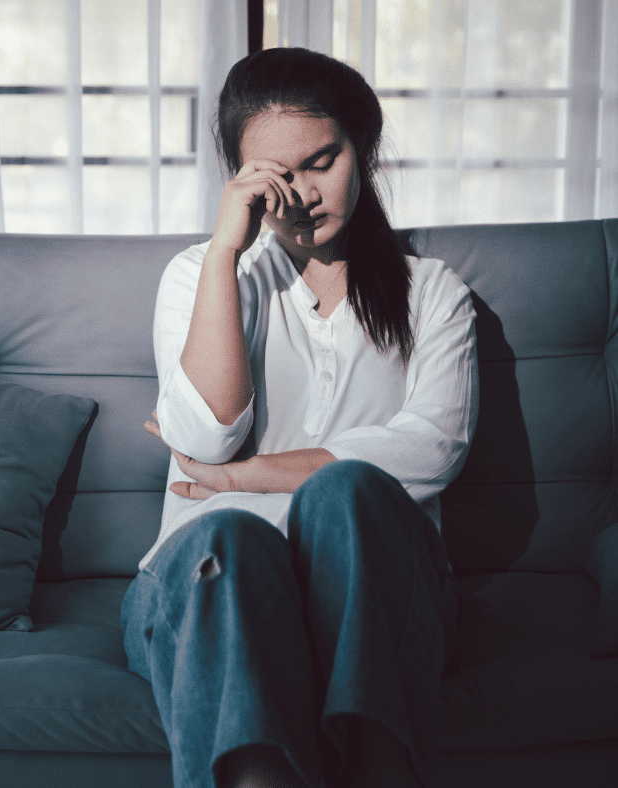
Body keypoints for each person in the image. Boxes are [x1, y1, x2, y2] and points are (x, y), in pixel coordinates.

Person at [121, 48, 478, 788]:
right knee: (229, 536)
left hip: (372, 595)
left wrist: (239, 475)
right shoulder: (201, 275)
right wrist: (226, 252)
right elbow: (202, 433)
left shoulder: (432, 293)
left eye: (322, 161)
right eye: (273, 177)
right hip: (208, 585)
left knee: (345, 494)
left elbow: (429, 450)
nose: (302, 196)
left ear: (364, 148)